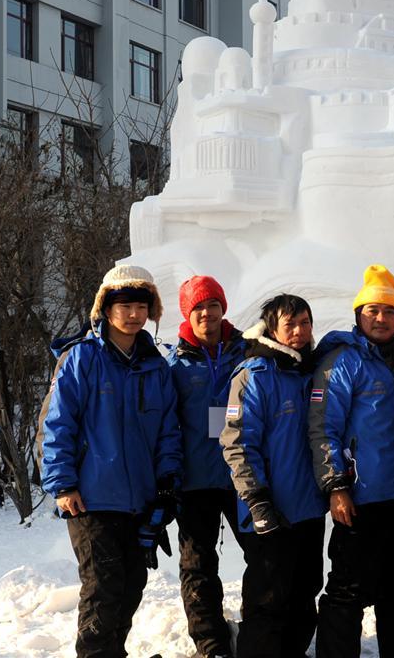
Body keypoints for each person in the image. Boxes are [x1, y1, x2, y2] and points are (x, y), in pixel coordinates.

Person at [36, 265, 182, 658]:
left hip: (140, 499)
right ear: (106, 308)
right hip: (91, 496)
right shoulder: (82, 358)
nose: (133, 314)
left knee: (132, 585)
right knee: (102, 589)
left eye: (141, 306)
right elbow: (57, 424)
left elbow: (168, 430)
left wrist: (168, 481)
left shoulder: (157, 365)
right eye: (125, 306)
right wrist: (62, 483)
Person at [308, 264, 394, 658]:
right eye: (373, 310)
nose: (381, 318)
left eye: (389, 311)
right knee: (347, 591)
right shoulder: (342, 362)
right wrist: (335, 487)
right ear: (359, 315)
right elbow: (323, 427)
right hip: (359, 499)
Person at [221, 294, 326, 658]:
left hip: (310, 508)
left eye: (305, 323)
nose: (298, 332)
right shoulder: (255, 375)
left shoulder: (312, 372)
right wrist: (257, 500)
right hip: (270, 508)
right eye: (290, 324)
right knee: (268, 597)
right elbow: (236, 442)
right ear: (273, 328)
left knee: (305, 590)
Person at [167, 276, 247, 658]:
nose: (206, 313)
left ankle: (259, 629)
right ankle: (211, 642)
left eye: (212, 304)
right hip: (196, 478)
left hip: (242, 477)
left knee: (264, 554)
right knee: (198, 564)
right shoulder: (175, 363)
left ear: (223, 308)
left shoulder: (246, 351)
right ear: (187, 313)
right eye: (197, 307)